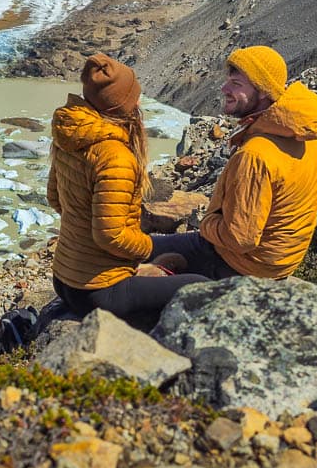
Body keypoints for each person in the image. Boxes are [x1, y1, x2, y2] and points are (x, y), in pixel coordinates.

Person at [47, 53, 210, 325]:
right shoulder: (115, 157)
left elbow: (55, 199)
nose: (139, 101)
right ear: (122, 104)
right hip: (97, 290)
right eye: (135, 95)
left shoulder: (72, 137)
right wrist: (146, 247)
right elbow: (109, 236)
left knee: (173, 257)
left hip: (64, 279)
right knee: (201, 285)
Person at [150, 45, 317, 279]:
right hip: (280, 263)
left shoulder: (255, 155)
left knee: (140, 251)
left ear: (264, 90)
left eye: (236, 84)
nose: (224, 89)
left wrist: (207, 223)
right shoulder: (307, 137)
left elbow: (239, 239)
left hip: (239, 264)